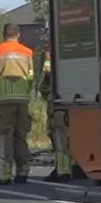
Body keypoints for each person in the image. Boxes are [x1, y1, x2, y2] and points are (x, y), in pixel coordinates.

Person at [0, 23, 36, 185]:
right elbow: (30, 77)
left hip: (3, 99)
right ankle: (23, 171)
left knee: (4, 136)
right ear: (18, 35)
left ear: (4, 34)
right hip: (22, 99)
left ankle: (3, 174)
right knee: (20, 135)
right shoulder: (27, 52)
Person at [37, 43, 75, 182]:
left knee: (59, 138)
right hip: (72, 102)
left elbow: (47, 75)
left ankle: (63, 171)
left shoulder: (54, 59)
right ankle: (72, 167)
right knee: (70, 137)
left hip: (58, 104)